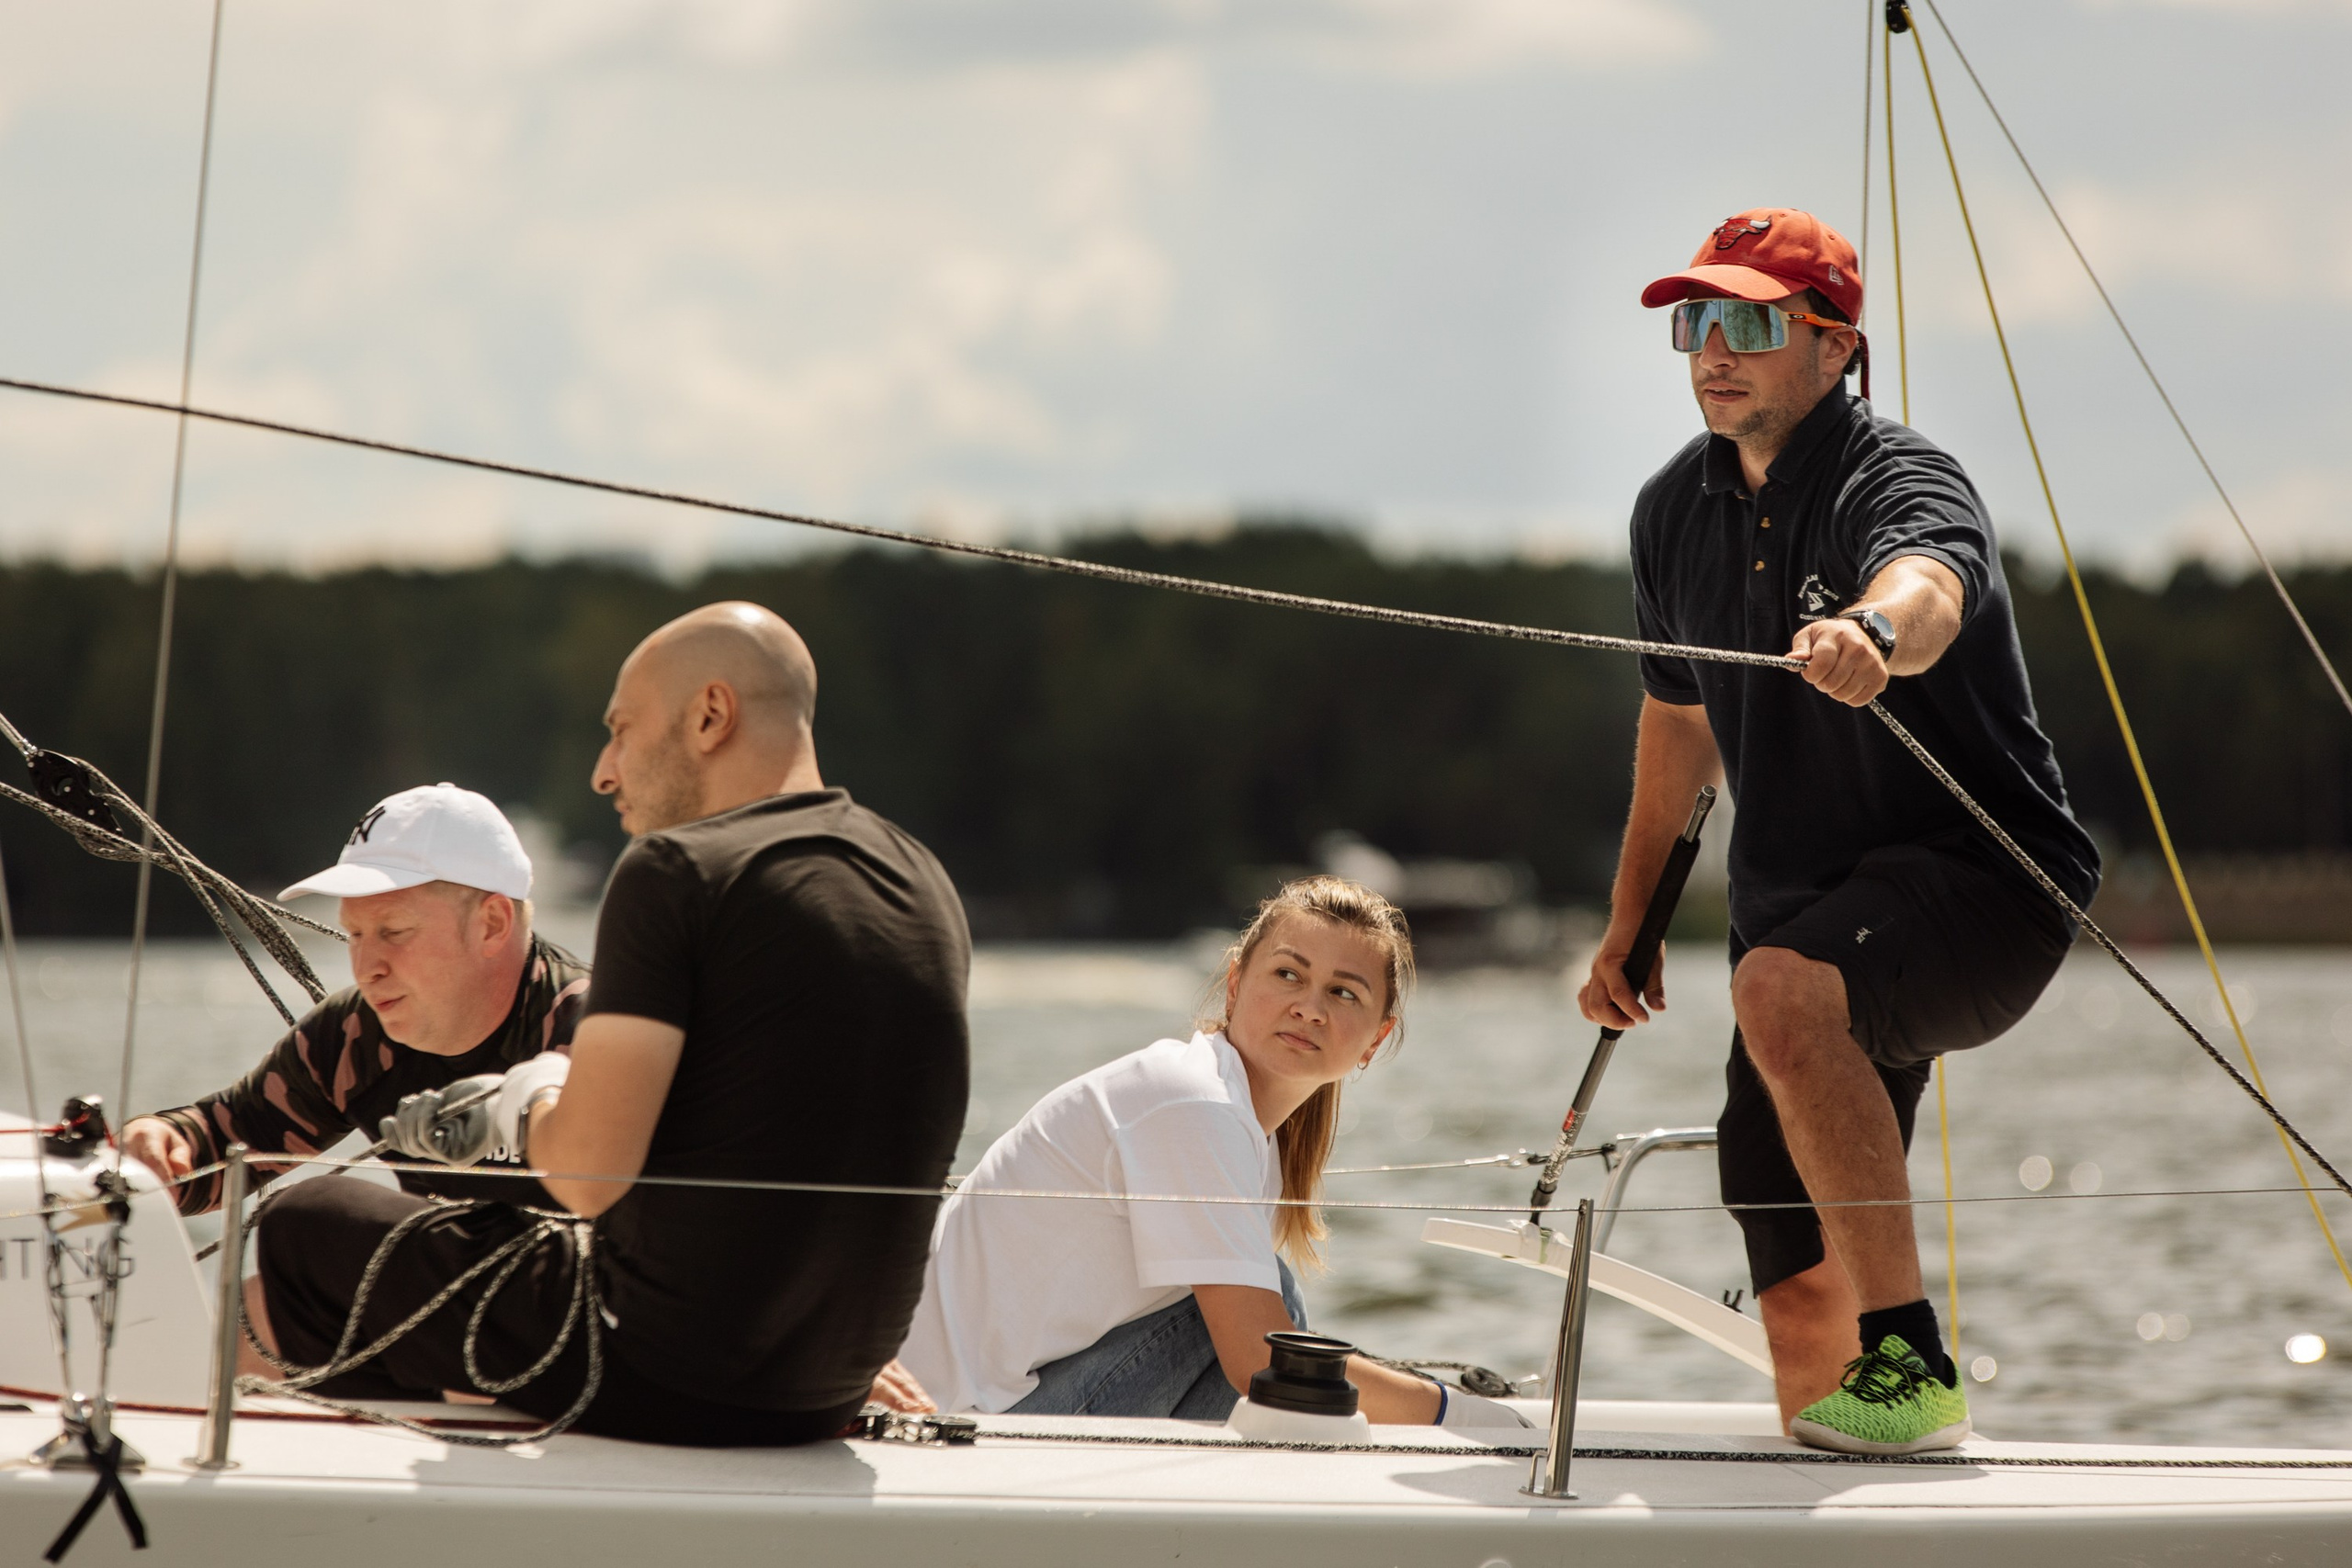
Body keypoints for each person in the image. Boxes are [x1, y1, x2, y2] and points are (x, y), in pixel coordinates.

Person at [1580, 209, 2099, 1455]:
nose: (1711, 350)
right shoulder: (1671, 513)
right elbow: (1676, 735)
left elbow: (1927, 584)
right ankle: (1844, 1466)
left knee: (1777, 987)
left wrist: (1871, 635)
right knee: (1775, 1212)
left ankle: (1913, 1363)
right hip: (1806, 910)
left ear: (1834, 343)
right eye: (1692, 323)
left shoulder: (1898, 479)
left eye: (1747, 323)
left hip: (1987, 886)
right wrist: (1630, 925)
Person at [252, 601, 969, 1445]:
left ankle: (456, 1469)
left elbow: (589, 1175)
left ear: (710, 715)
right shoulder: (923, 881)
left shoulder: (677, 871)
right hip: (825, 1386)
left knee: (305, 1227)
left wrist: (516, 1107)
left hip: (655, 1371)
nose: (603, 770)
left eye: (622, 729)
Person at [901, 875, 1526, 1429]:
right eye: (1288, 974)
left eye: (1344, 993)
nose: (1308, 1007)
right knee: (1262, 1321)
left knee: (1272, 1311)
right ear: (1234, 984)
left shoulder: (1243, 1125)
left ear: (1375, 1038)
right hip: (967, 1428)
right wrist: (1455, 1412)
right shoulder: (1191, 1101)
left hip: (1004, 1411)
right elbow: (1257, 1358)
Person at [123, 784, 587, 1340]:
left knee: (305, 1222)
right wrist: (157, 1141)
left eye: (394, 932)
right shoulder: (358, 1033)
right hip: (456, 1311)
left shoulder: (589, 1028)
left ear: (491, 924)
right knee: (256, 1314)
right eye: (355, 934)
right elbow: (234, 1135)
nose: (367, 967)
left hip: (576, 1319)